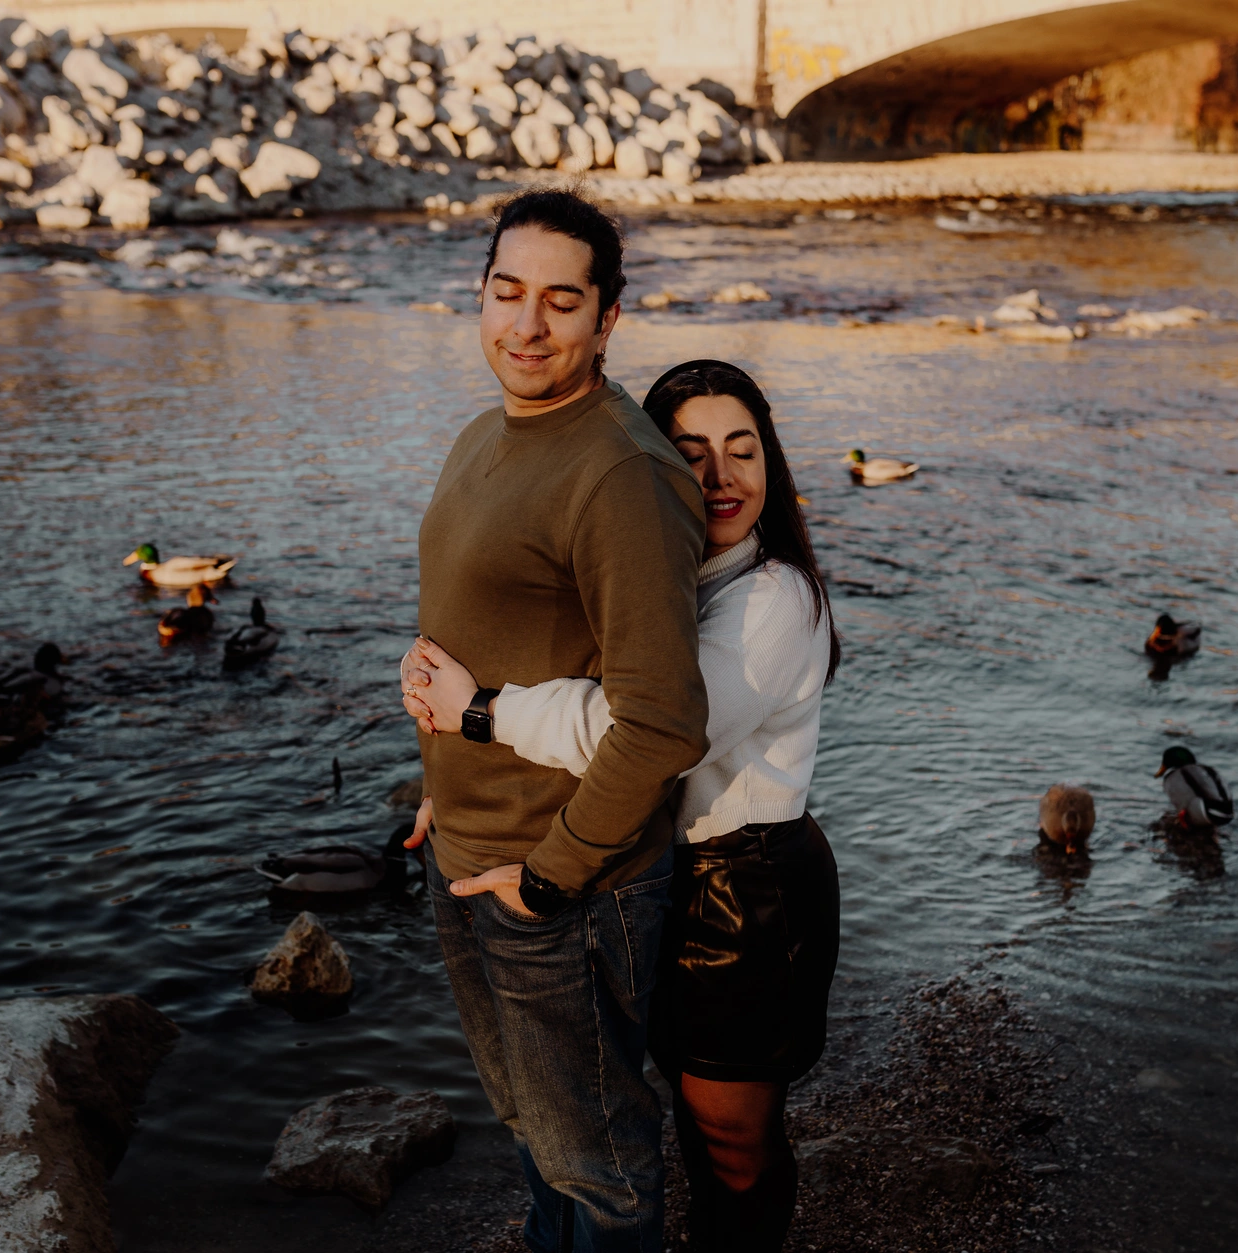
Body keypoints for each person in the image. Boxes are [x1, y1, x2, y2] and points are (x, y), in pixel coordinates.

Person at [404, 360, 842, 1253]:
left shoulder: (774, 601)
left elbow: (643, 732)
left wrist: (479, 710)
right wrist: (450, 786)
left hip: (744, 892)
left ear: (773, 465)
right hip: (663, 870)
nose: (721, 478)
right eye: (692, 454)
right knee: (678, 1111)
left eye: (743, 450)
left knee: (734, 1138)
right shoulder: (673, 578)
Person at [402, 189, 710, 1253]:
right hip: (467, 849)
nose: (525, 326)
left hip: (564, 886)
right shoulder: (487, 432)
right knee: (537, 1134)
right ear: (479, 291)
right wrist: (432, 788)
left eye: (560, 303)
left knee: (602, 1162)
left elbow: (663, 722)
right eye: (506, 292)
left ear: (607, 318)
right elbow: (489, 622)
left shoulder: (620, 471)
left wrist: (549, 877)